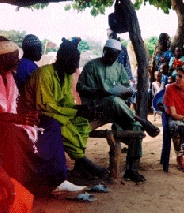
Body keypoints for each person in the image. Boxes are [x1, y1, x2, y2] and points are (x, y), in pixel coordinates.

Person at [1, 37, 86, 196]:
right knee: (13, 133)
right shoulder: (43, 74)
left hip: (14, 119)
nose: (18, 61)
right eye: (14, 57)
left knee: (51, 124)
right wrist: (17, 119)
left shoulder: (9, 78)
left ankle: (57, 179)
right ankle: (24, 184)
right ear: (4, 58)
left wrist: (25, 114)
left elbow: (16, 104)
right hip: (6, 124)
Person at [77, 39, 160, 183]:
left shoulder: (119, 67)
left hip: (117, 108)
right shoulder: (92, 66)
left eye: (115, 56)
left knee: (135, 128)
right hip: (98, 106)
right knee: (113, 100)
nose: (111, 58)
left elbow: (126, 86)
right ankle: (141, 119)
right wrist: (99, 91)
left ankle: (131, 169)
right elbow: (81, 88)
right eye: (109, 55)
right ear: (104, 51)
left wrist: (126, 92)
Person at [23, 38, 108, 180]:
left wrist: (81, 109)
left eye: (77, 61)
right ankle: (82, 161)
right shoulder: (44, 74)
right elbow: (45, 105)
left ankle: (79, 165)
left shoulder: (67, 76)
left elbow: (67, 102)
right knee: (62, 127)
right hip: (36, 114)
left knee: (82, 122)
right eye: (73, 62)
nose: (75, 66)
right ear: (62, 60)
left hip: (56, 112)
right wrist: (76, 110)